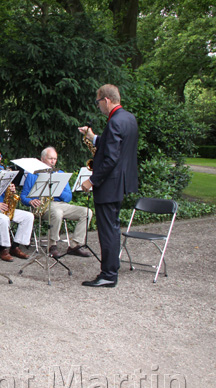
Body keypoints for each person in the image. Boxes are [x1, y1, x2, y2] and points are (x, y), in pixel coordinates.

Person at [77, 84, 138, 288]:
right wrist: (93, 137)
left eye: (98, 102)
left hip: (108, 185)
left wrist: (91, 180)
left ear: (106, 100)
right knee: (112, 227)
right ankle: (111, 269)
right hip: (120, 183)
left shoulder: (114, 122)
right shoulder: (128, 119)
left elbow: (111, 158)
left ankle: (109, 274)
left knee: (108, 230)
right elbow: (113, 144)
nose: (99, 107)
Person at [20, 146, 93, 258]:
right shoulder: (33, 174)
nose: (53, 161)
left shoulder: (60, 174)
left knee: (86, 212)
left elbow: (68, 197)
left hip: (60, 204)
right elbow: (23, 196)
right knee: (57, 213)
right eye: (50, 158)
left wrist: (56, 191)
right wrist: (30, 201)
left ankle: (75, 245)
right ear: (42, 159)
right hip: (42, 206)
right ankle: (52, 245)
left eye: (55, 158)